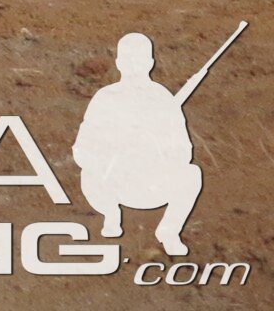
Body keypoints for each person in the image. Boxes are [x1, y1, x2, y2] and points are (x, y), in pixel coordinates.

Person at [73, 30, 212, 258]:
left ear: (150, 63)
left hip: (152, 185)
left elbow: (183, 152)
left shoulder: (162, 98)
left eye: (139, 59)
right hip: (113, 184)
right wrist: (111, 149)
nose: (134, 65)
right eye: (129, 59)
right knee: (88, 173)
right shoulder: (105, 98)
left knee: (192, 174)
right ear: (119, 63)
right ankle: (111, 215)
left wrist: (155, 142)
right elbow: (82, 148)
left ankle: (169, 231)